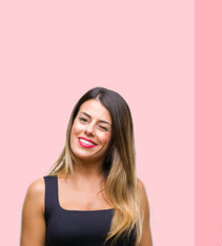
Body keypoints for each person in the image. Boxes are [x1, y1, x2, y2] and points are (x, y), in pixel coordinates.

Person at [21, 87, 152, 246]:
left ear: (115, 141)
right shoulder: (40, 192)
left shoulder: (134, 191)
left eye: (102, 127)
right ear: (72, 123)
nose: (89, 130)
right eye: (84, 120)